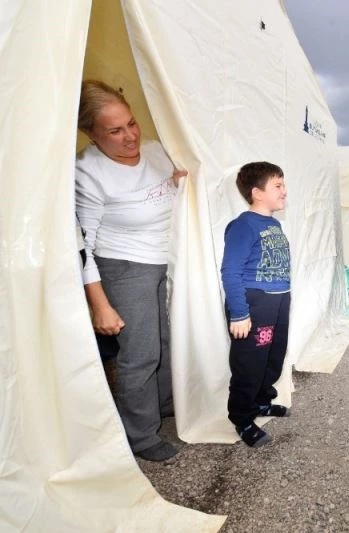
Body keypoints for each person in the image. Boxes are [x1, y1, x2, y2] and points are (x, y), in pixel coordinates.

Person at [75, 80, 187, 462]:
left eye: (132, 124)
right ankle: (139, 435)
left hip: (166, 258)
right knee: (140, 353)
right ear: (91, 134)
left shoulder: (156, 151)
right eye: (115, 131)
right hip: (123, 266)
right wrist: (100, 305)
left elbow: (171, 188)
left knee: (168, 342)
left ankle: (164, 404)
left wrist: (176, 184)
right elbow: (82, 246)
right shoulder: (87, 172)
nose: (130, 137)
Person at [221, 162, 292, 448]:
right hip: (255, 302)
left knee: (273, 357)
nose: (284, 191)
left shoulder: (274, 224)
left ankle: (262, 402)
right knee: (249, 364)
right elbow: (230, 271)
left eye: (283, 185)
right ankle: (242, 417)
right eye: (278, 185)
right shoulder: (242, 226)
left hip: (280, 300)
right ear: (257, 192)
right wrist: (240, 313)